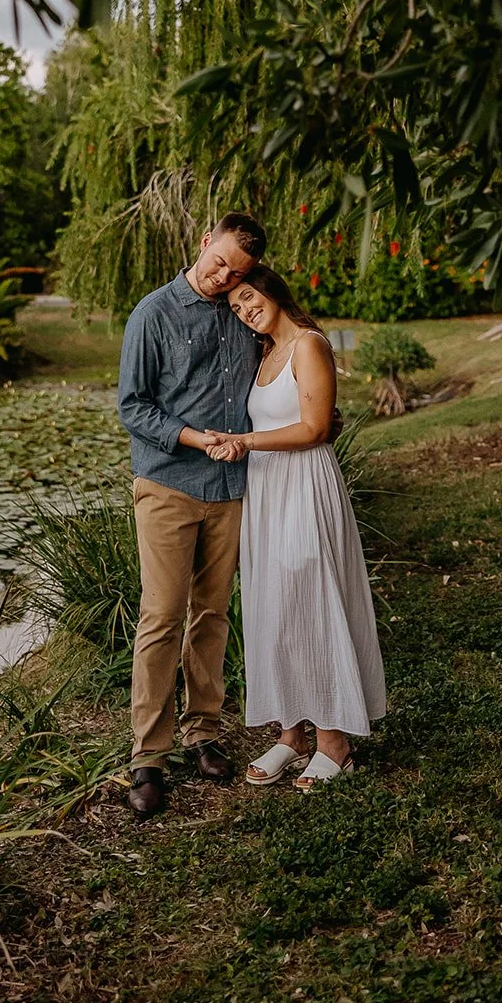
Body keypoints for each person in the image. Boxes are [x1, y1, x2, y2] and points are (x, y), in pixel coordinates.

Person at [207, 265, 385, 790]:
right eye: (236, 307)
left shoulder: (309, 345)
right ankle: (291, 734)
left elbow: (313, 427)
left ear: (271, 290)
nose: (245, 310)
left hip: (304, 486)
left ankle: (334, 741)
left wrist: (243, 442)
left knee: (312, 599)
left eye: (248, 297)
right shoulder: (264, 354)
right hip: (266, 492)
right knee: (274, 604)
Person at [117, 213, 267, 821]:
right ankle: (148, 755)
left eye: (237, 271)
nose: (223, 276)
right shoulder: (152, 314)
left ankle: (203, 728)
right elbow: (133, 406)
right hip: (169, 485)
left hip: (230, 488)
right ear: (204, 242)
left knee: (212, 612)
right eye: (219, 261)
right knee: (160, 615)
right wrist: (195, 439)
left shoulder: (244, 308)